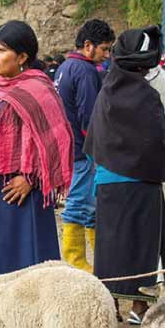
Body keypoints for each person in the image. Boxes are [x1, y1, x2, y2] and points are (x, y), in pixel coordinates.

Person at [0, 20, 73, 274]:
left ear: (22, 56)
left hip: (22, 192)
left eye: (1, 50)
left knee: (27, 262)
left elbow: (55, 141)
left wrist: (31, 178)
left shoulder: (39, 90)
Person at [85, 25, 165, 324]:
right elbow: (160, 138)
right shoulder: (148, 94)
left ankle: (109, 304)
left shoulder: (107, 91)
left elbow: (95, 137)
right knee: (143, 245)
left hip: (107, 182)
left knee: (109, 245)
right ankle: (140, 306)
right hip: (142, 181)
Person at [55, 19, 115, 272]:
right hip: (84, 150)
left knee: (91, 205)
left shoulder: (65, 67)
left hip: (69, 147)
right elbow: (89, 117)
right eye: (104, 49)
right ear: (88, 46)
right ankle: (75, 262)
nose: (107, 55)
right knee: (78, 204)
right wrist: (100, 148)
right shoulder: (86, 72)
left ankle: (100, 260)